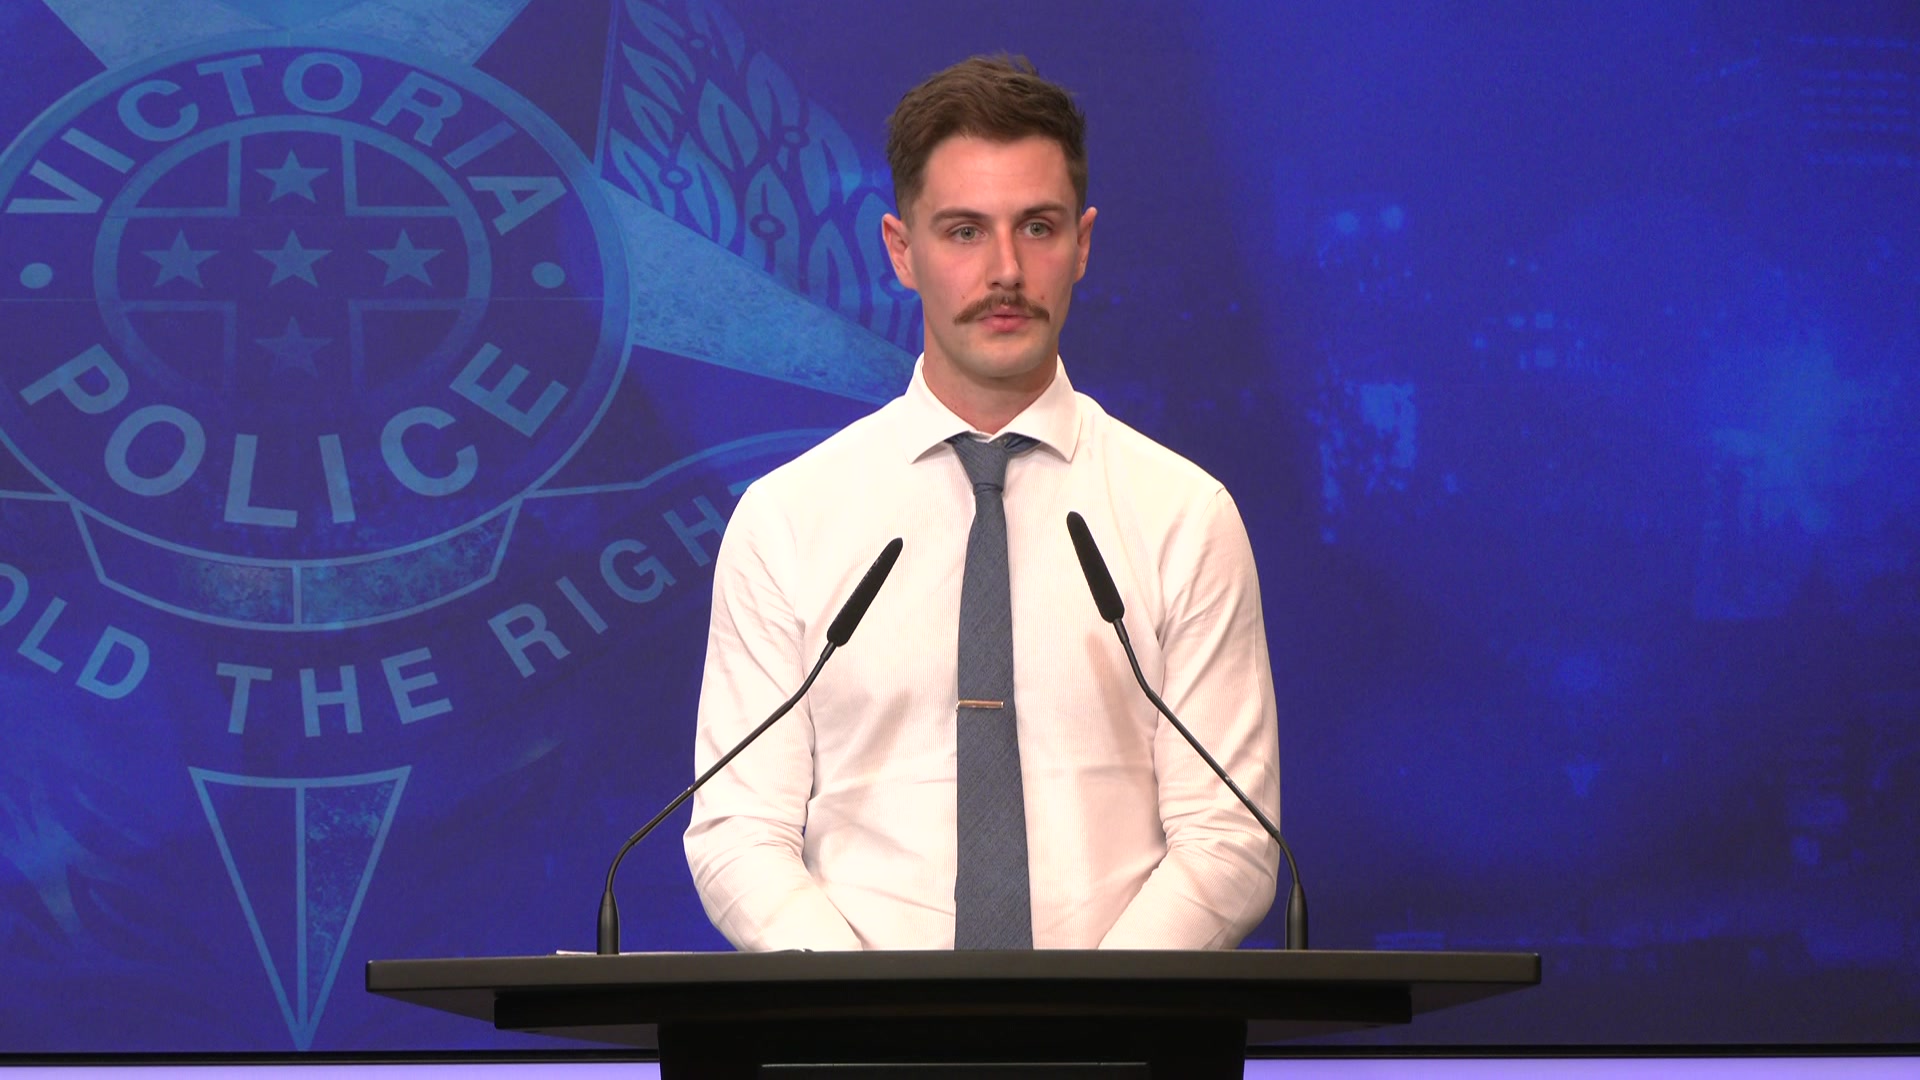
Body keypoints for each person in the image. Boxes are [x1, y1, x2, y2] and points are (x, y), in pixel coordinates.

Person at [684, 55, 1280, 951]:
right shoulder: (788, 520)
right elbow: (738, 829)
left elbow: (1229, 838)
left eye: (1036, 227)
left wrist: (1082, 1024)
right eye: (964, 231)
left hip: (1121, 1046)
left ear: (1081, 243)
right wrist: (869, 1018)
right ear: (901, 250)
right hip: (853, 1047)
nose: (1005, 269)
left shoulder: (1183, 515)